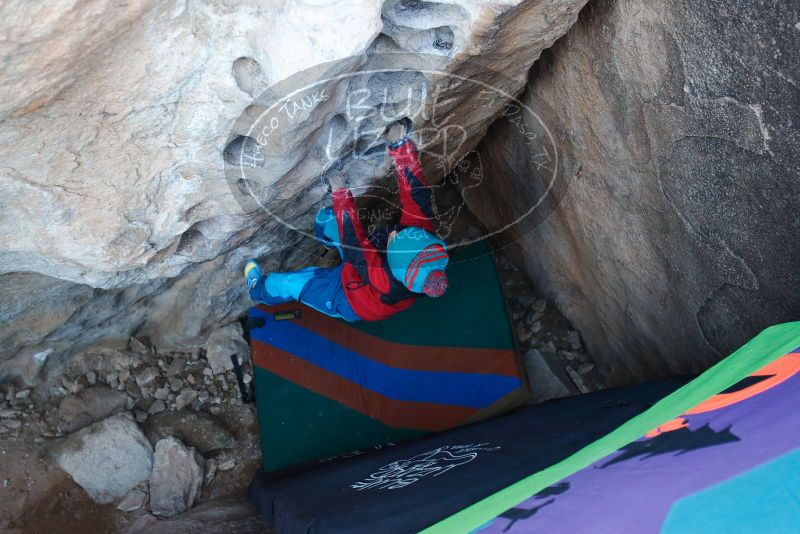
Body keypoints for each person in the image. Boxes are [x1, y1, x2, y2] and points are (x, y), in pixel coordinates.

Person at [244, 118, 449, 322]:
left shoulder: (383, 277)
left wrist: (341, 193)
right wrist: (399, 145)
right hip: (366, 262)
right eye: (403, 233)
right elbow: (416, 191)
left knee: (289, 284)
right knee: (326, 219)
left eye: (394, 241)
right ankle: (327, 242)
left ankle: (258, 289)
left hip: (348, 297)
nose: (394, 232)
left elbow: (354, 241)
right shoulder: (422, 236)